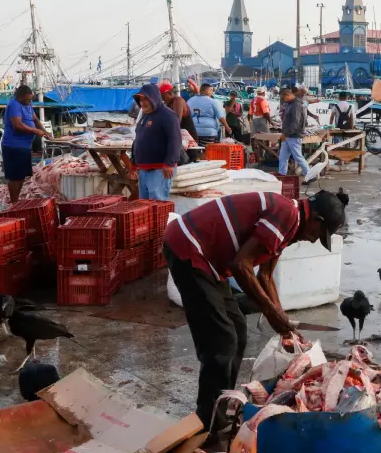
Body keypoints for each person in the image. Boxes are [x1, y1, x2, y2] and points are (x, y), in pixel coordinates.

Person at [163, 189, 345, 429]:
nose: (313, 240)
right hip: (189, 248)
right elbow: (240, 265)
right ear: (316, 220)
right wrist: (272, 313)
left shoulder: (289, 227)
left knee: (238, 328)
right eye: (319, 235)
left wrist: (284, 324)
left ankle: (225, 402)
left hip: (211, 262)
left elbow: (266, 275)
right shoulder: (286, 214)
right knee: (221, 342)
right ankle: (208, 423)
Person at [2, 85, 51, 203]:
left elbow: (35, 120)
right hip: (13, 146)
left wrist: (44, 131)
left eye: (30, 100)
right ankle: (14, 202)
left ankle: (16, 200)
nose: (29, 102)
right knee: (15, 177)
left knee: (22, 176)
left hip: (24, 146)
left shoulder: (27, 105)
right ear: (20, 96)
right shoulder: (14, 105)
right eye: (27, 99)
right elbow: (17, 125)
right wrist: (35, 131)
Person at [131, 84, 181, 200]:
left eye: (146, 99)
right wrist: (133, 162)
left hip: (160, 170)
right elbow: (138, 139)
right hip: (143, 169)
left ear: (154, 98)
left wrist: (169, 163)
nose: (143, 103)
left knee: (157, 203)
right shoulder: (145, 116)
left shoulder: (168, 115)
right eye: (141, 100)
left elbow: (175, 140)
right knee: (144, 205)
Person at [160, 82, 198, 162]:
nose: (162, 99)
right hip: (180, 138)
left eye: (162, 96)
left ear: (169, 93)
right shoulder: (167, 104)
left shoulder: (178, 100)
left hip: (188, 139)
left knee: (186, 162)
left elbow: (176, 121)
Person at [279, 84, 311, 177]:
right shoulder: (290, 104)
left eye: (283, 98)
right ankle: (282, 174)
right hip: (288, 135)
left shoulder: (296, 105)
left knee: (298, 156)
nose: (283, 101)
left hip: (294, 135)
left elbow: (295, 123)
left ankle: (309, 174)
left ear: (287, 95)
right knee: (283, 157)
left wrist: (285, 133)